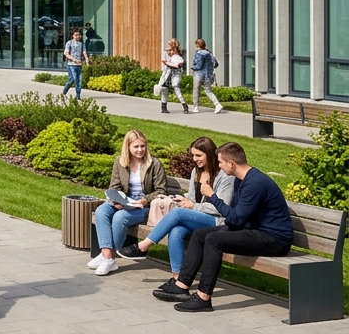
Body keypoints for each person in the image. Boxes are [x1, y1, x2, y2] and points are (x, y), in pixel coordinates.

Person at [155, 142, 294, 313]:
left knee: (214, 239)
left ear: (231, 163)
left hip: (274, 239)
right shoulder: (242, 180)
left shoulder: (255, 183)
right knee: (200, 235)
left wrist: (212, 196)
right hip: (253, 230)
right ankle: (181, 286)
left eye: (220, 162)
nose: (219, 165)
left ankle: (203, 297)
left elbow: (235, 218)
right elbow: (236, 218)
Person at [125, 137, 233, 285]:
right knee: (176, 231)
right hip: (198, 218)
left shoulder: (224, 176)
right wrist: (180, 200)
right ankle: (179, 279)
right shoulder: (196, 171)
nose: (194, 159)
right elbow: (192, 198)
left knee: (178, 213)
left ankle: (143, 246)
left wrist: (193, 206)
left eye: (198, 155)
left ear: (209, 154)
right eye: (193, 155)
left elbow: (222, 208)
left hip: (218, 221)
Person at [89, 129, 167, 276]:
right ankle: (107, 255)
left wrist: (145, 200)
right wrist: (117, 201)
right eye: (136, 147)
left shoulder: (154, 163)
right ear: (128, 147)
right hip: (126, 202)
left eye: (142, 146)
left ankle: (109, 257)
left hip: (144, 207)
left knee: (120, 217)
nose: (140, 150)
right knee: (101, 211)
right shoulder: (120, 162)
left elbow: (161, 190)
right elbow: (115, 187)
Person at [190, 39, 224, 114]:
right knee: (208, 90)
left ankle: (196, 107)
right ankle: (217, 104)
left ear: (197, 45)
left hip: (199, 74)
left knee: (196, 90)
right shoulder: (209, 53)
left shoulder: (199, 53)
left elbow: (198, 65)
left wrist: (192, 67)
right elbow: (215, 64)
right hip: (208, 75)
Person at [158, 39, 190, 114]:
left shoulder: (178, 54)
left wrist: (178, 65)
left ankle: (184, 105)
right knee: (164, 89)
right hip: (167, 73)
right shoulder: (166, 52)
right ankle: (164, 107)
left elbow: (180, 62)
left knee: (176, 87)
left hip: (176, 73)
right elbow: (165, 61)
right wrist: (174, 65)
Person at [61, 29, 90, 100]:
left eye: (79, 35)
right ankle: (66, 92)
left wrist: (87, 59)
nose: (78, 36)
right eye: (76, 35)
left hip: (79, 65)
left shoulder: (81, 44)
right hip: (71, 65)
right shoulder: (69, 43)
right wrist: (74, 59)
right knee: (74, 79)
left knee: (77, 80)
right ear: (73, 36)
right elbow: (66, 53)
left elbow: (84, 52)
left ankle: (77, 95)